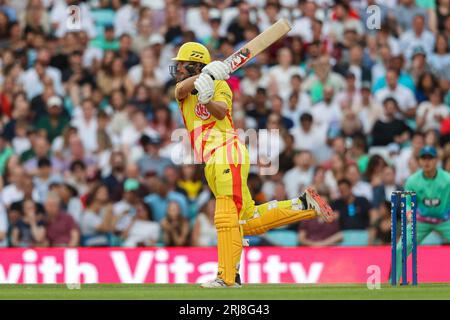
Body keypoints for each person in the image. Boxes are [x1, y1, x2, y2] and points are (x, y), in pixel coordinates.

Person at [171, 42, 335, 287]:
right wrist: (200, 79)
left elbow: (220, 112)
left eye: (182, 65)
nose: (178, 70)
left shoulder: (221, 85)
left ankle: (227, 277)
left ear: (194, 64)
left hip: (227, 152)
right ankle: (302, 204)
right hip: (211, 160)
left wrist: (207, 96)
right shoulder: (183, 88)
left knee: (225, 216)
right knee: (245, 220)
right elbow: (182, 90)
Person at [395, 146, 450, 282]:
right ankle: (393, 281)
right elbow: (407, 202)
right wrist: (409, 214)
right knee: (400, 248)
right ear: (419, 161)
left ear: (436, 160)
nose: (427, 162)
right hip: (420, 221)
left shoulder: (447, 179)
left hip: (444, 220)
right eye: (423, 158)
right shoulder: (412, 181)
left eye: (430, 158)